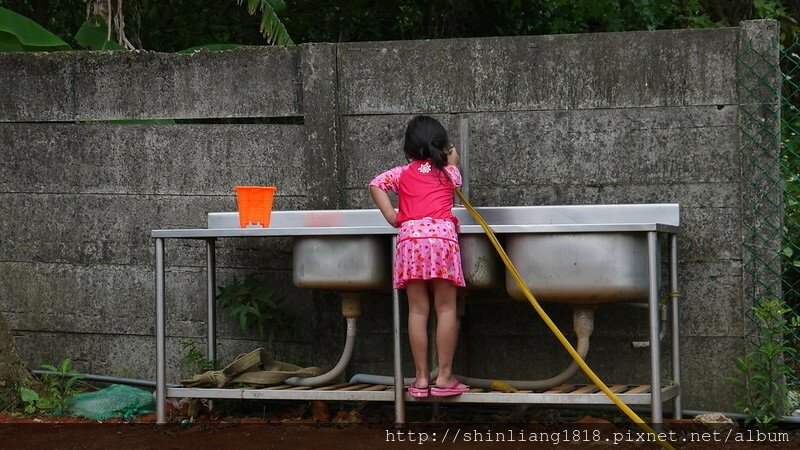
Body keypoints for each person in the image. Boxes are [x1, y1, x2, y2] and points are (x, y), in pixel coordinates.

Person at [368, 115, 470, 398]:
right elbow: (456, 177)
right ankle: (445, 377)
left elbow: (375, 183)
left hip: (411, 240)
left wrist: (391, 215)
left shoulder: (402, 173)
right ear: (443, 147)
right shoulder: (448, 173)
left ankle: (422, 379)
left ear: (407, 151)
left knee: (417, 310)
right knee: (446, 308)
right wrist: (452, 158)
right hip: (441, 239)